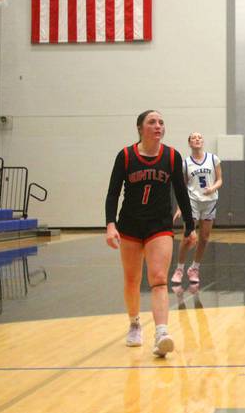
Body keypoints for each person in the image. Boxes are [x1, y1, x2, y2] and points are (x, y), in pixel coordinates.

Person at [105, 110, 196, 358]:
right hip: (130, 225)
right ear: (140, 128)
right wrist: (110, 224)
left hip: (159, 225)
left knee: (158, 278)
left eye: (161, 122)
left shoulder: (171, 156)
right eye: (152, 122)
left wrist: (190, 225)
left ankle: (161, 333)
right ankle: (135, 323)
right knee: (132, 279)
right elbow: (113, 193)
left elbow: (181, 191)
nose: (158, 126)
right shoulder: (125, 156)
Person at [172, 132, 223, 285]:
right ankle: (179, 269)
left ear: (203, 141)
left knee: (204, 238)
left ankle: (194, 268)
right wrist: (180, 207)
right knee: (188, 237)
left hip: (210, 201)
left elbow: (220, 179)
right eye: (193, 137)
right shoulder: (185, 163)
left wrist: (212, 188)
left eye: (200, 137)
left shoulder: (213, 159)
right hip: (192, 201)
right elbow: (182, 187)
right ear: (189, 143)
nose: (197, 139)